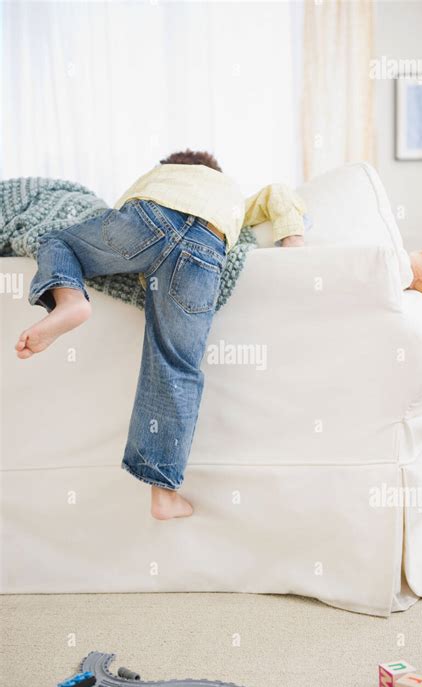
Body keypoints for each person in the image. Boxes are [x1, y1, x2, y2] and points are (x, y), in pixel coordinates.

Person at [15, 150, 307, 520]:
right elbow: (278, 193)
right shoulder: (231, 196)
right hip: (206, 244)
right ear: (214, 173)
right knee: (176, 363)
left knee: (58, 241)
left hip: (146, 220)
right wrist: (293, 240)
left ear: (165, 168)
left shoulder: (159, 179)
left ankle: (70, 298)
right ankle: (164, 494)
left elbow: (117, 214)